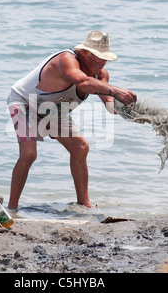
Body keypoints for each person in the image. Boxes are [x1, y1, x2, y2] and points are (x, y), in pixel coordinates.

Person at [7, 30, 137, 210]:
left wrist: (132, 111)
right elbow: (82, 82)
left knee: (80, 147)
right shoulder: (66, 60)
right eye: (97, 58)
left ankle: (84, 203)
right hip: (25, 102)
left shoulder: (101, 75)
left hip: (53, 111)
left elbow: (109, 106)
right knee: (29, 154)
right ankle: (12, 209)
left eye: (104, 59)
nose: (100, 64)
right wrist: (115, 90)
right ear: (84, 52)